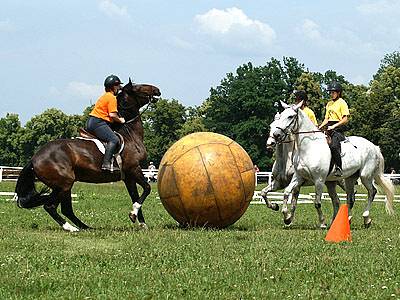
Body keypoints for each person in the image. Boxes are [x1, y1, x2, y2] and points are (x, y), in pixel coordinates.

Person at [86, 75, 125, 172]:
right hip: (98, 123)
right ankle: (106, 164)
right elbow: (112, 115)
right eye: (118, 86)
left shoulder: (104, 96)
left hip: (91, 121)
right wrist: (121, 120)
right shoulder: (111, 98)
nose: (119, 88)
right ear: (113, 87)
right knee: (114, 139)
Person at [318, 82, 350, 177]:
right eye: (330, 92)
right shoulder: (329, 104)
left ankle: (339, 168)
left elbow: (345, 119)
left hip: (338, 129)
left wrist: (334, 126)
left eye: (333, 92)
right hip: (329, 127)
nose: (331, 94)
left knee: (333, 146)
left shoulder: (342, 103)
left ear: (338, 93)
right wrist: (319, 127)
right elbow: (327, 119)